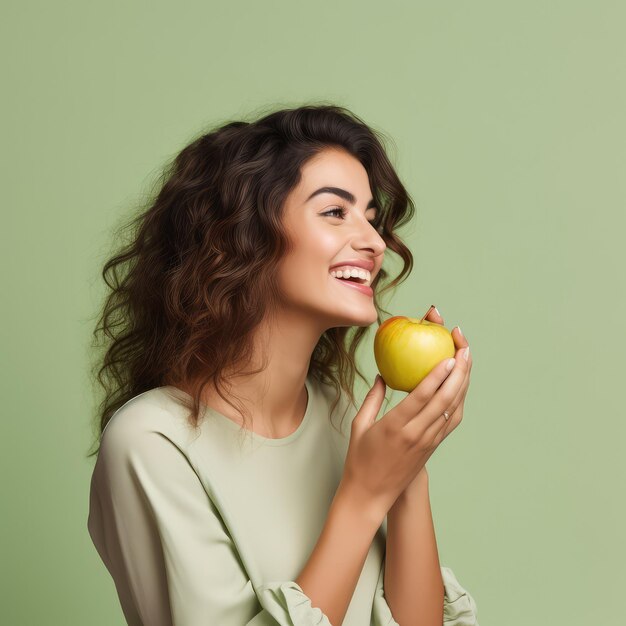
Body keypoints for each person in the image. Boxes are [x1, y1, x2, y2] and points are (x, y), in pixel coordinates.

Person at [86, 104, 479, 625]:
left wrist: (407, 473)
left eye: (371, 217)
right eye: (335, 212)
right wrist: (364, 496)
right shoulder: (152, 443)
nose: (374, 242)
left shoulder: (343, 416)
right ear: (241, 236)